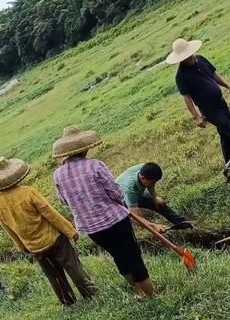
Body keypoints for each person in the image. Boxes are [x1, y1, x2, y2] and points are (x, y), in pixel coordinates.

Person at [52, 125, 155, 299]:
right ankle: (152, 295)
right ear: (85, 148)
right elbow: (116, 192)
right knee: (133, 256)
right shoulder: (95, 165)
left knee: (118, 256)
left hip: (91, 228)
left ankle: (138, 292)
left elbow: (63, 201)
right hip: (115, 220)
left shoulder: (58, 174)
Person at [0, 156, 95, 306]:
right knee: (72, 266)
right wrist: (70, 231)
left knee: (54, 275)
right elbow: (50, 214)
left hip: (33, 246)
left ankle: (68, 302)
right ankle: (90, 294)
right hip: (54, 238)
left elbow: (8, 229)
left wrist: (21, 246)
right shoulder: (28, 192)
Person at [166, 38, 230, 164]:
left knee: (226, 135)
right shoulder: (181, 76)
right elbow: (186, 98)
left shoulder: (201, 60)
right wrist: (196, 116)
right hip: (209, 110)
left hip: (221, 103)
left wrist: (229, 87)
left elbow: (214, 75)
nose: (188, 58)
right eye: (184, 57)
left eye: (188, 54)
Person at [116, 162, 193, 231]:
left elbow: (150, 184)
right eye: (153, 182)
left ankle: (182, 223)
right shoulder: (130, 191)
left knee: (159, 204)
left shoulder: (145, 168)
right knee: (136, 217)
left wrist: (154, 198)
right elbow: (135, 218)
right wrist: (153, 226)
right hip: (118, 201)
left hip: (136, 192)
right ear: (143, 178)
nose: (153, 184)